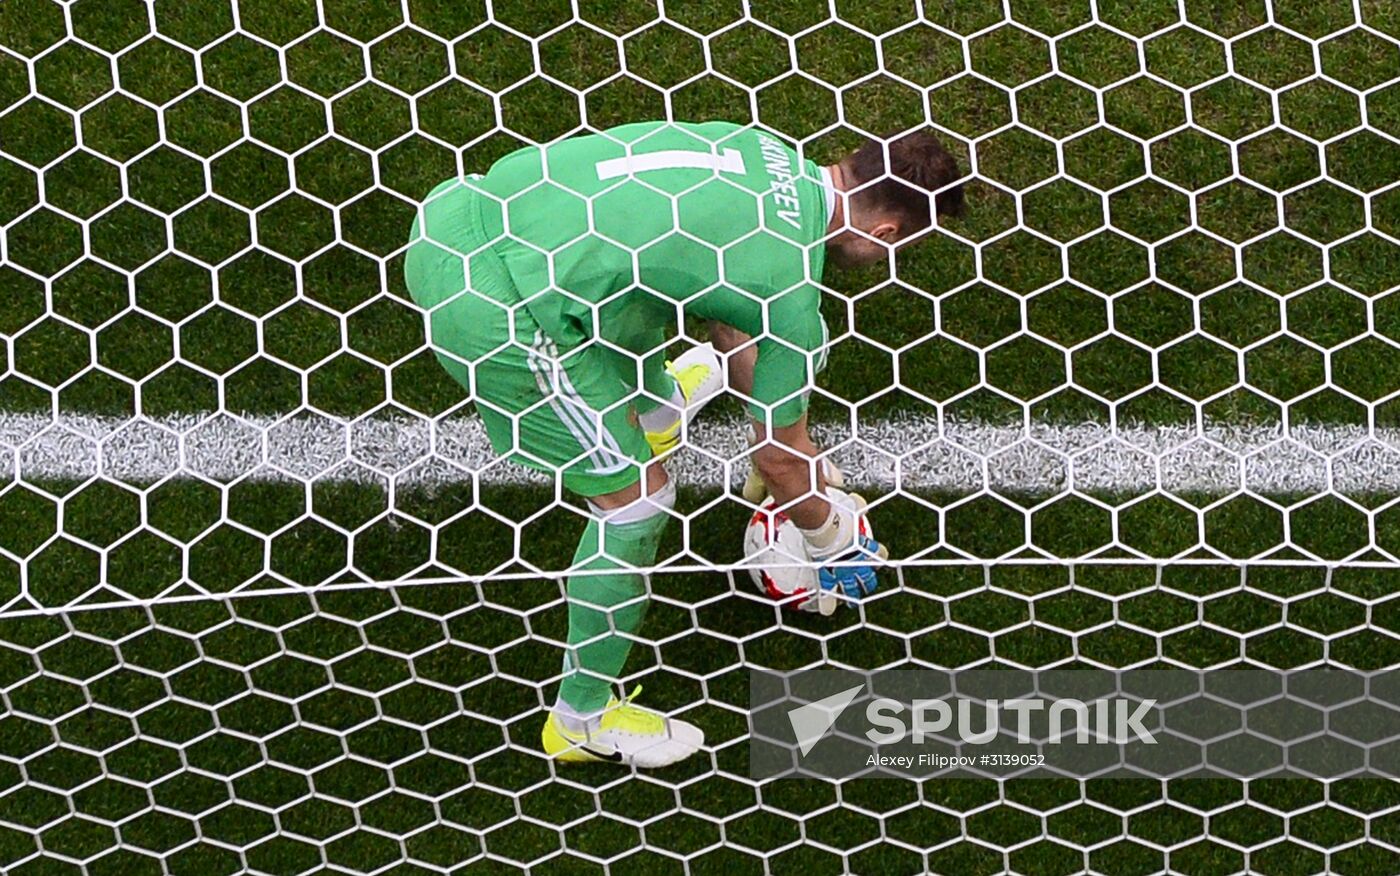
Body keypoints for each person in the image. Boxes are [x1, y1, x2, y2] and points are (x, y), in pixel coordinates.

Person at [404, 121, 964, 768]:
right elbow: (776, 461)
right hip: (496, 313)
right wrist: (831, 532)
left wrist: (789, 439)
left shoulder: (761, 146)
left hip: (458, 212)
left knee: (639, 285)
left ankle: (655, 410)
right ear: (886, 232)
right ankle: (581, 720)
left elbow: (726, 306)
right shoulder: (792, 299)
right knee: (638, 502)